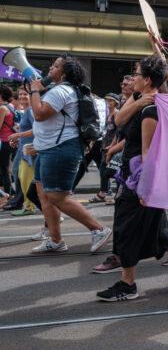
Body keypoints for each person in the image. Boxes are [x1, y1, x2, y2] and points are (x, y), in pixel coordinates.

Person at [97, 55, 168, 301]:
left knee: (127, 229)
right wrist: (138, 99)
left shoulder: (152, 111)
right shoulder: (140, 101)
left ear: (146, 79)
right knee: (157, 226)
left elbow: (148, 153)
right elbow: (119, 120)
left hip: (140, 179)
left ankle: (127, 284)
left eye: (136, 73)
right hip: (131, 176)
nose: (132, 78)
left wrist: (146, 188)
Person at [28, 54, 112, 254]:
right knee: (44, 196)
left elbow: (40, 114)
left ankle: (99, 230)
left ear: (64, 73)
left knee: (58, 197)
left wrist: (34, 91)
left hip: (61, 150)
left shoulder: (62, 91)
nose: (50, 69)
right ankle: (56, 240)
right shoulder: (57, 90)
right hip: (48, 149)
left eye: (55, 66)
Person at [7, 86, 35, 216]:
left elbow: (37, 130)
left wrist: (17, 136)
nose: (22, 97)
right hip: (23, 150)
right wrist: (19, 140)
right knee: (21, 179)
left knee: (25, 180)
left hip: (29, 152)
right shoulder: (27, 111)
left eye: (26, 94)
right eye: (21, 94)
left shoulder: (30, 111)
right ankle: (27, 205)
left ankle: (29, 207)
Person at [0, 85, 16, 196]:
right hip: (10, 140)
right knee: (5, 168)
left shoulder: (2, 108)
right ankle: (11, 192)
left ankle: (8, 194)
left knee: (4, 169)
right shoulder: (11, 106)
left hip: (4, 142)